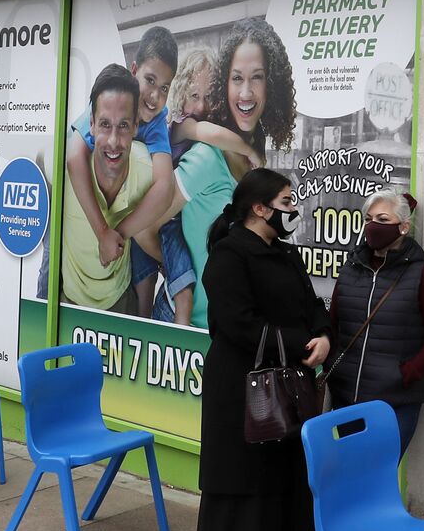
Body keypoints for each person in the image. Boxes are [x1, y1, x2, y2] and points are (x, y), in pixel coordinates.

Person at [192, 167, 330, 531]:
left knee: (273, 487)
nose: (294, 208)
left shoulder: (284, 253)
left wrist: (323, 335)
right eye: (287, 200)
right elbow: (236, 324)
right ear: (260, 207)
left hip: (283, 389)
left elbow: (311, 305)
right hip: (242, 392)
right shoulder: (229, 256)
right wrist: (300, 344)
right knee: (246, 489)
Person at [320, 189, 424, 531]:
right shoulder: (353, 268)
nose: (373, 226)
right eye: (369, 218)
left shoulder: (422, 274)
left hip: (394, 404)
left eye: (382, 218)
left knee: (366, 492)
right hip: (346, 399)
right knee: (348, 489)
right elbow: (336, 322)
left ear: (403, 226)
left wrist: (406, 372)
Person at [171, 18, 298, 330]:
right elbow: (150, 226)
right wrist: (178, 274)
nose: (246, 92)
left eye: (257, 78)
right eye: (236, 78)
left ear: (272, 85)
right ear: (223, 84)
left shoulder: (258, 158)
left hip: (245, 333)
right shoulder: (205, 158)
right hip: (198, 333)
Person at [63, 28, 196, 323]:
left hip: (128, 224)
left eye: (165, 88)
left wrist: (118, 233)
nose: (155, 96)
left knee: (146, 267)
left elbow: (164, 185)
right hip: (83, 235)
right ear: (134, 71)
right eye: (150, 81)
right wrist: (102, 232)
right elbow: (75, 156)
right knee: (51, 268)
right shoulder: (113, 100)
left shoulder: (158, 123)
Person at [60, 65, 157, 314]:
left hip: (121, 303)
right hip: (68, 305)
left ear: (136, 126)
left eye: (123, 126)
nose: (114, 141)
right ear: (90, 124)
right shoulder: (63, 169)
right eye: (105, 124)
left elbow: (167, 197)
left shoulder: (148, 172)